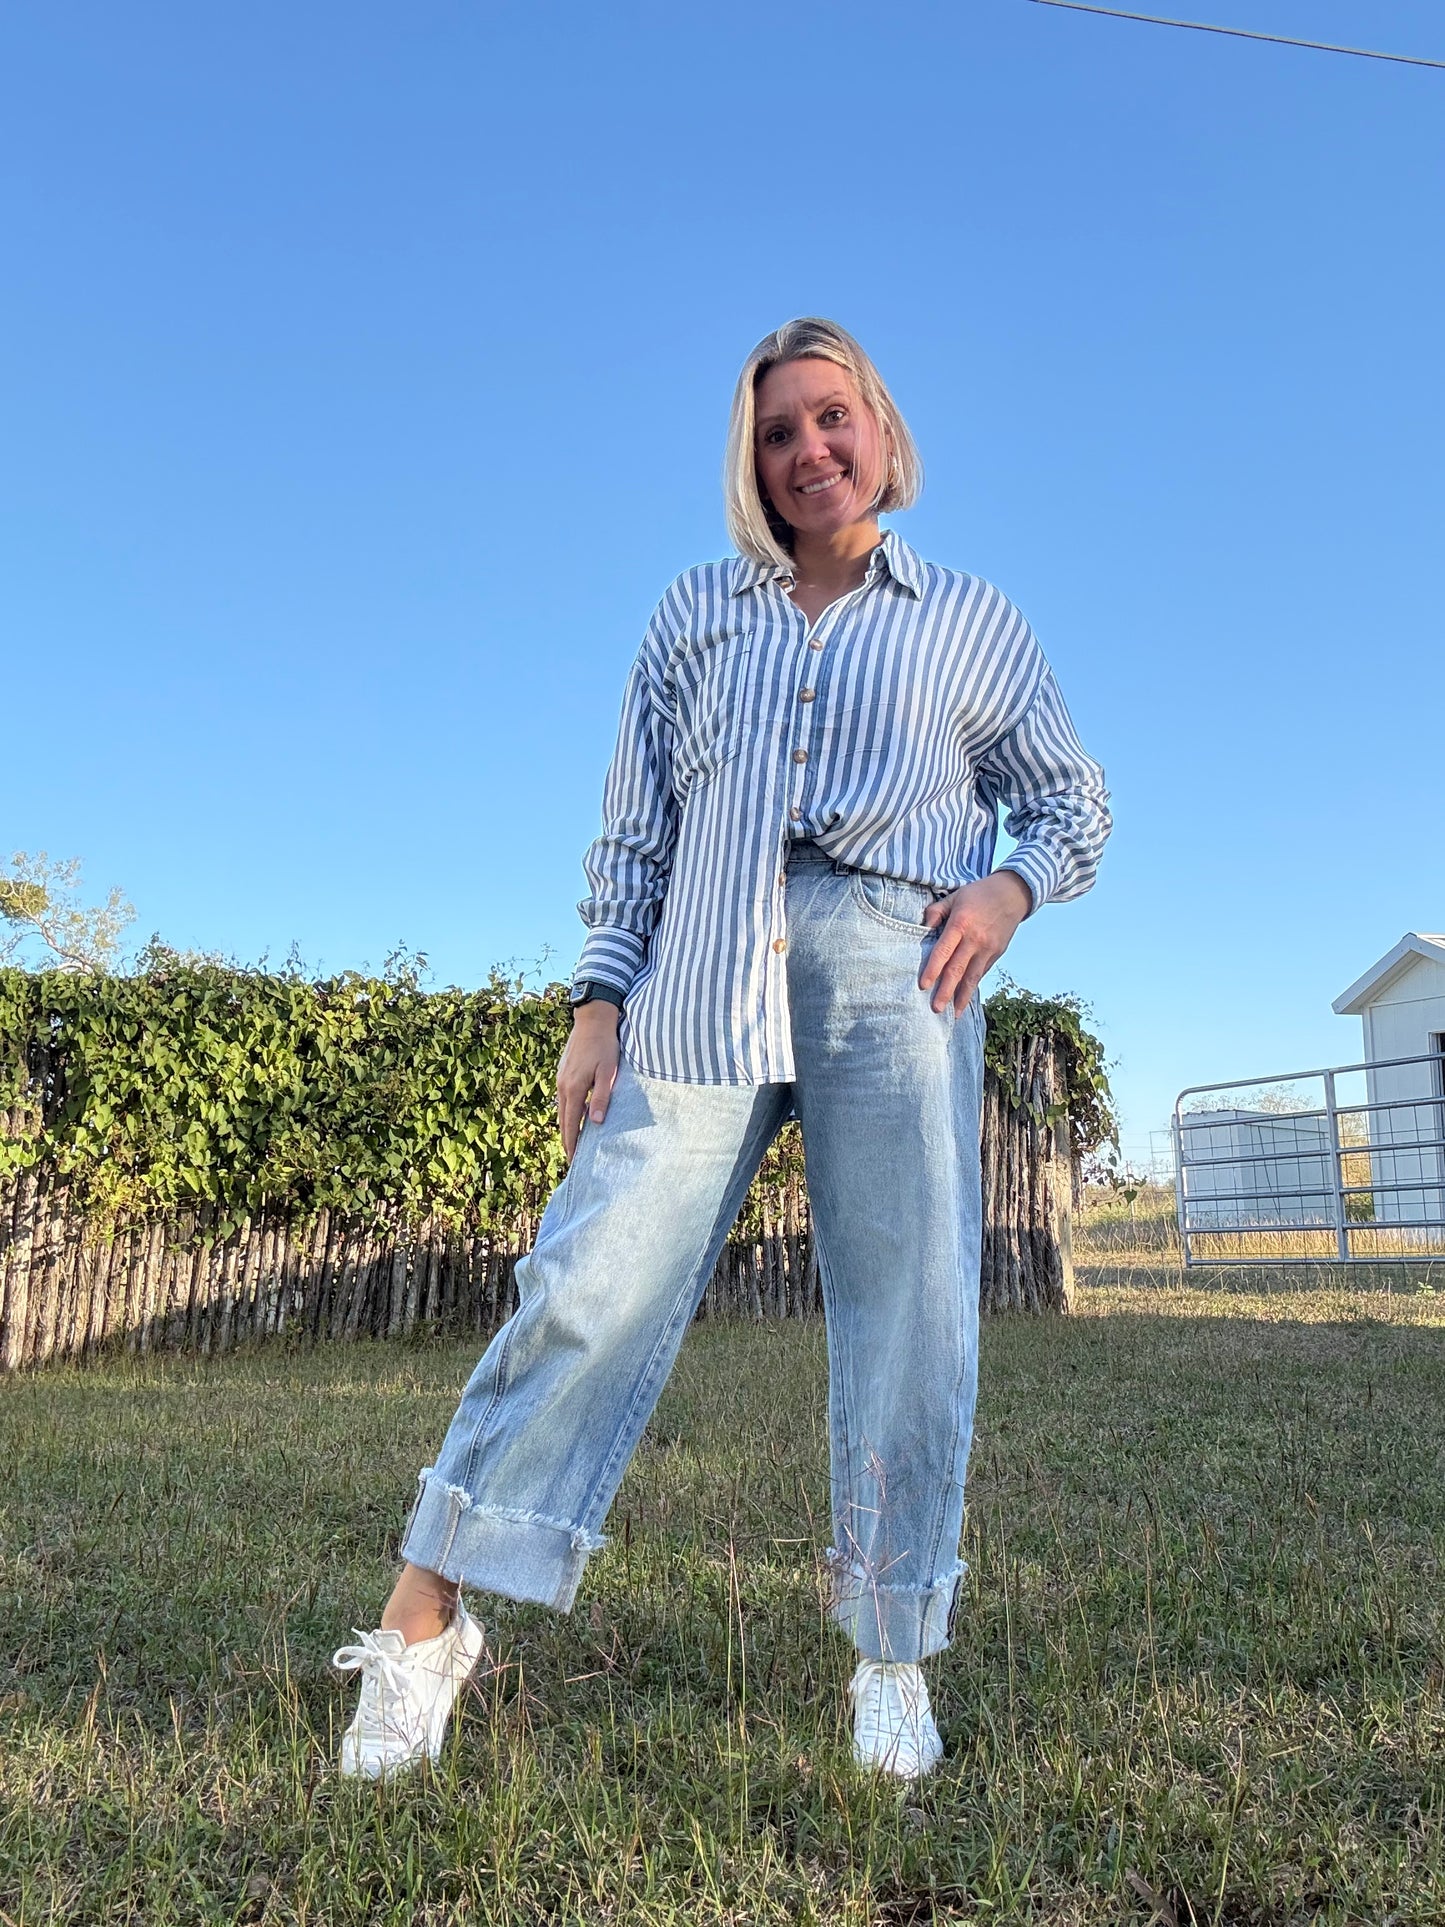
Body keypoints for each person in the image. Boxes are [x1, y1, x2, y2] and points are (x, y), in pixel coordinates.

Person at [332, 317, 1112, 1782]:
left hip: (899, 966)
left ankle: (890, 1651)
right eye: (774, 432)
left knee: (912, 1313)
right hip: (701, 962)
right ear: (745, 462)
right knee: (591, 1276)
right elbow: (633, 837)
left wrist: (1008, 890)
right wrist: (594, 1000)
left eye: (831, 418)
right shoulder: (691, 614)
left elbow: (1073, 804)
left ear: (878, 428)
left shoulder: (969, 620)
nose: (807, 450)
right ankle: (426, 1617)